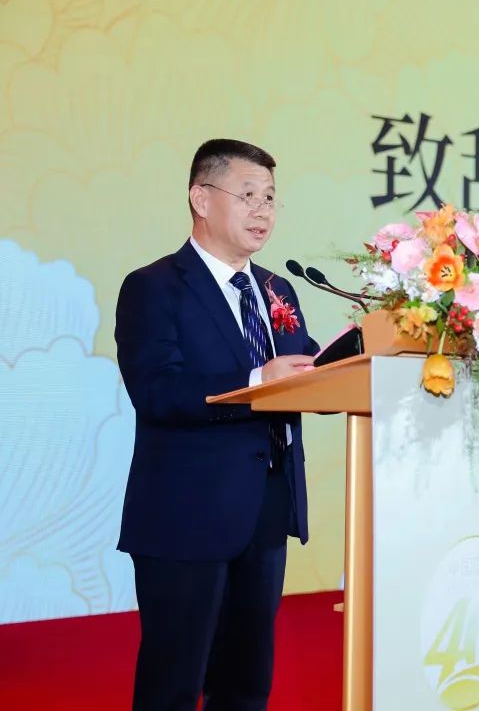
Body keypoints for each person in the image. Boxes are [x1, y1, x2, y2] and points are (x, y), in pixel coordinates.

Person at [115, 138, 319, 710]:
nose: (263, 211)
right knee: (174, 684)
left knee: (246, 684)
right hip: (186, 514)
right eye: (248, 195)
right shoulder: (154, 287)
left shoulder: (278, 288)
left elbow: (301, 373)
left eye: (270, 198)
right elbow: (157, 392)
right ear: (201, 198)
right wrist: (256, 380)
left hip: (267, 508)